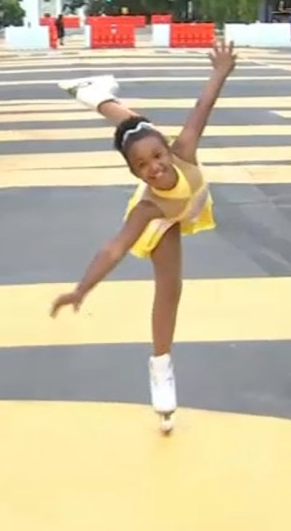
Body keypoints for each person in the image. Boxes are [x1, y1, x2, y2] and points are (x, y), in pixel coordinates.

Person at [49, 40, 238, 422]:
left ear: (168, 151)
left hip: (186, 193)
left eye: (157, 157)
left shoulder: (182, 151)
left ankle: (92, 93)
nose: (154, 167)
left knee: (134, 125)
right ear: (134, 174)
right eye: (142, 166)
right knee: (169, 290)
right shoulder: (148, 207)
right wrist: (81, 289)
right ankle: (161, 367)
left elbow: (203, 108)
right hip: (169, 216)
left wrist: (219, 71)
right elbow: (113, 249)